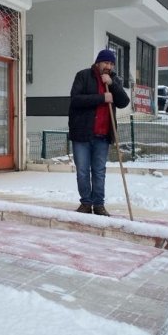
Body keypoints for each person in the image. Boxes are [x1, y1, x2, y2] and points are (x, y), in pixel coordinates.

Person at [68, 49, 130, 216]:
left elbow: (124, 102)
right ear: (98, 63)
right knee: (82, 171)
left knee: (99, 171)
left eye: (111, 64)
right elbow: (75, 100)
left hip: (103, 136)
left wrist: (112, 84)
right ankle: (86, 203)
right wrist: (101, 98)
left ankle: (99, 205)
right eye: (106, 63)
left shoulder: (113, 80)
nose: (108, 66)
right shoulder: (83, 76)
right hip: (82, 134)